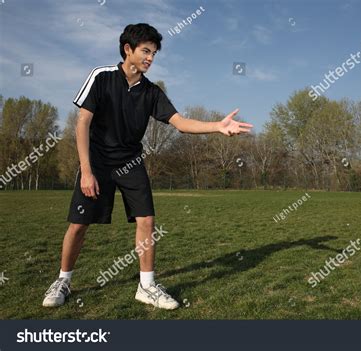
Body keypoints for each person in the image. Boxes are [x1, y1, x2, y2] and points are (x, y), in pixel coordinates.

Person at [42, 23, 253, 310]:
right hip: (98, 161)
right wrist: (87, 170)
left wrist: (217, 126)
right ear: (127, 49)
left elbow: (179, 123)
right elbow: (82, 123)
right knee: (79, 224)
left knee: (147, 221)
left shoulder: (152, 92)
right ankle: (63, 280)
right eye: (145, 51)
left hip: (131, 161)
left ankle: (147, 285)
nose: (150, 58)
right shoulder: (101, 77)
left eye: (154, 53)